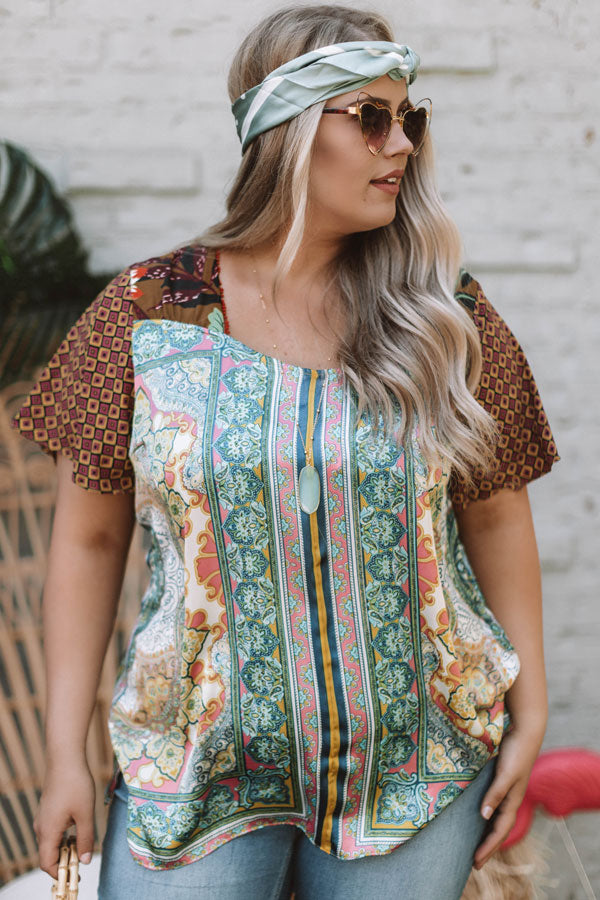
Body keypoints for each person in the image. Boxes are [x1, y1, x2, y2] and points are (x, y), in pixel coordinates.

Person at [11, 5, 560, 899]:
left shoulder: (444, 316)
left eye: (409, 118)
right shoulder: (148, 312)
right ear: (287, 131)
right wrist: (63, 755)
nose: (401, 145)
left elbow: (496, 510)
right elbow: (88, 540)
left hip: (415, 767)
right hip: (196, 767)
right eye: (371, 117)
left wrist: (531, 707)